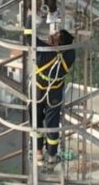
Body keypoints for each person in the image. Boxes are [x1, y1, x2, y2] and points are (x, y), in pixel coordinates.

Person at [30, 26, 75, 168]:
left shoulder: (45, 53)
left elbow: (29, 37)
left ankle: (38, 153)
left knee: (36, 122)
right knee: (52, 124)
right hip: (55, 93)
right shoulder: (69, 55)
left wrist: (32, 16)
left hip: (38, 92)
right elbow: (66, 47)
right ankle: (51, 156)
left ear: (57, 43)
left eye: (55, 35)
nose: (52, 35)